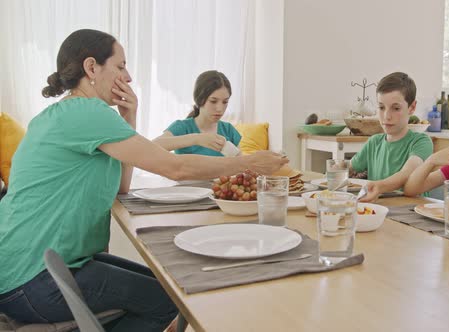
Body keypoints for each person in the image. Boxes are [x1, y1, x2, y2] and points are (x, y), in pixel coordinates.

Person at [0, 29, 287, 331]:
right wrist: (246, 163)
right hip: (33, 279)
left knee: (167, 285)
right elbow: (174, 168)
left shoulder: (65, 114)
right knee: (166, 300)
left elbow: (121, 188)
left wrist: (129, 117)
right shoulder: (87, 113)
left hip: (31, 268)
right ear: (91, 67)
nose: (129, 76)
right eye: (121, 66)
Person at [351, 72, 433, 202]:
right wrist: (334, 169)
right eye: (381, 107)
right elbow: (349, 168)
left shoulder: (421, 142)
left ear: (412, 107)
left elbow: (406, 174)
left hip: (411, 213)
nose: (387, 116)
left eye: (395, 108)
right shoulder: (374, 142)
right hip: (379, 209)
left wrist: (378, 187)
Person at [153, 70, 241, 156]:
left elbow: (241, 163)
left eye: (225, 102)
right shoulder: (182, 127)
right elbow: (153, 147)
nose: (220, 109)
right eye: (213, 101)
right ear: (199, 99)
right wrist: (197, 139)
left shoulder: (229, 130)